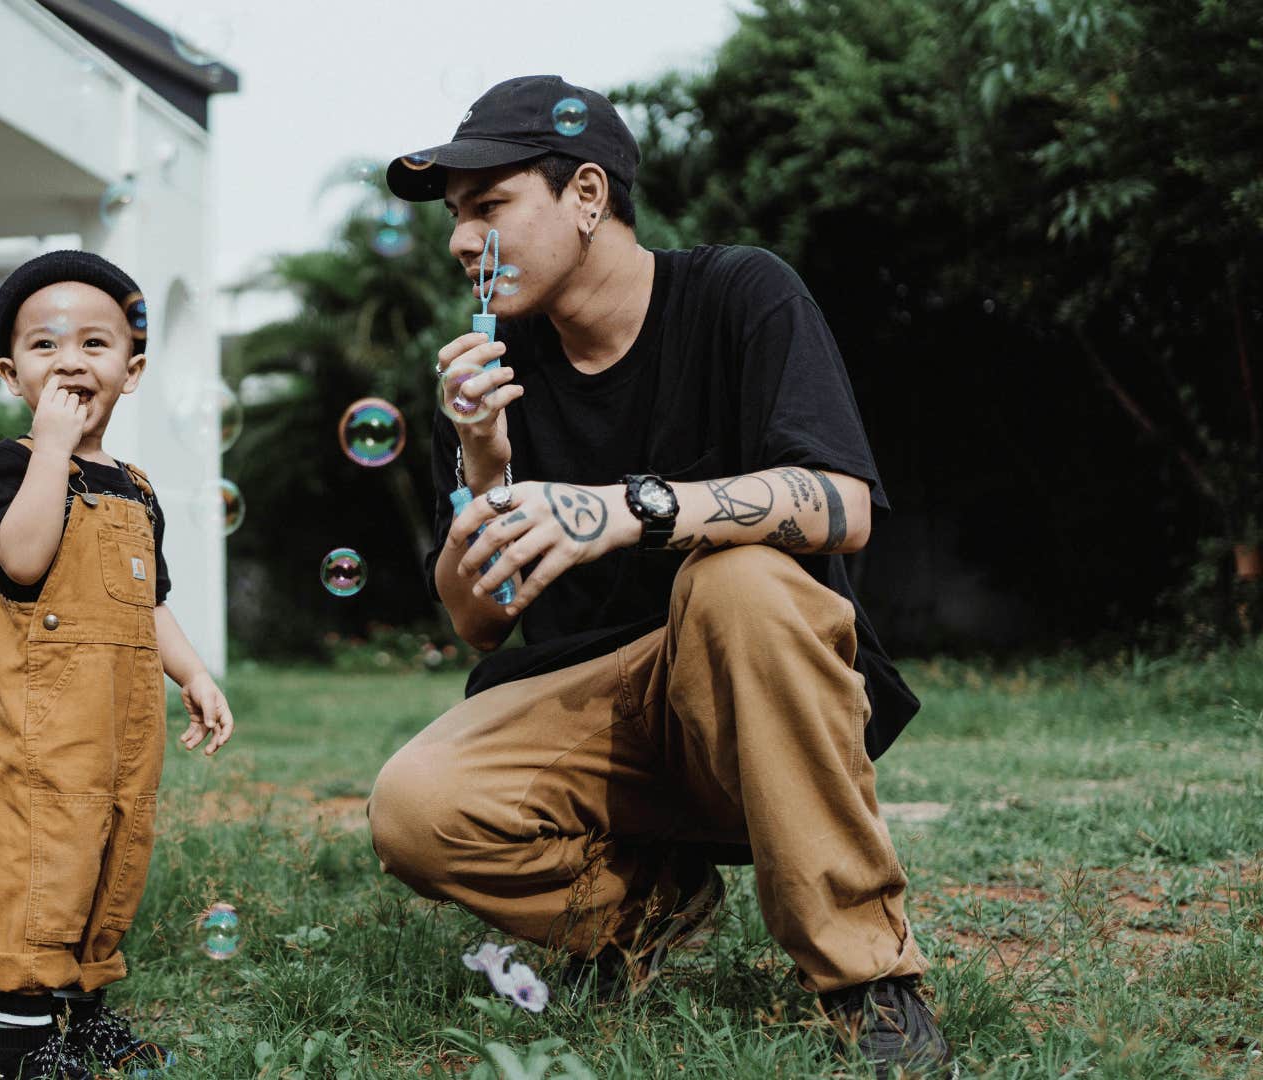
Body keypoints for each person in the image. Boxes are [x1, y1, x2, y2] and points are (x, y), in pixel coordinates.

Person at [364, 76, 953, 1078]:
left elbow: (843, 503)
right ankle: (645, 906)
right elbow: (476, 624)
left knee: (735, 584)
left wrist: (625, 511)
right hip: (596, 717)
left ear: (587, 194)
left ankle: (868, 979)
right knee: (412, 804)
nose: (464, 239)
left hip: (755, 692)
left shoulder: (740, 295)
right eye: (458, 217)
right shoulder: (487, 379)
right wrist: (484, 464)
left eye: (490, 205)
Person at [0, 250, 236, 1079]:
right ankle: (19, 1043)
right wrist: (51, 451)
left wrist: (193, 673)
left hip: (123, 728)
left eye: (95, 342)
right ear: (15, 374)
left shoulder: (138, 487)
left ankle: (81, 1019)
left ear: (133, 369)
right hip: (44, 731)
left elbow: (148, 600)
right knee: (45, 864)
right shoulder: (16, 466)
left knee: (113, 859)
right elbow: (21, 559)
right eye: (46, 347)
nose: (73, 360)